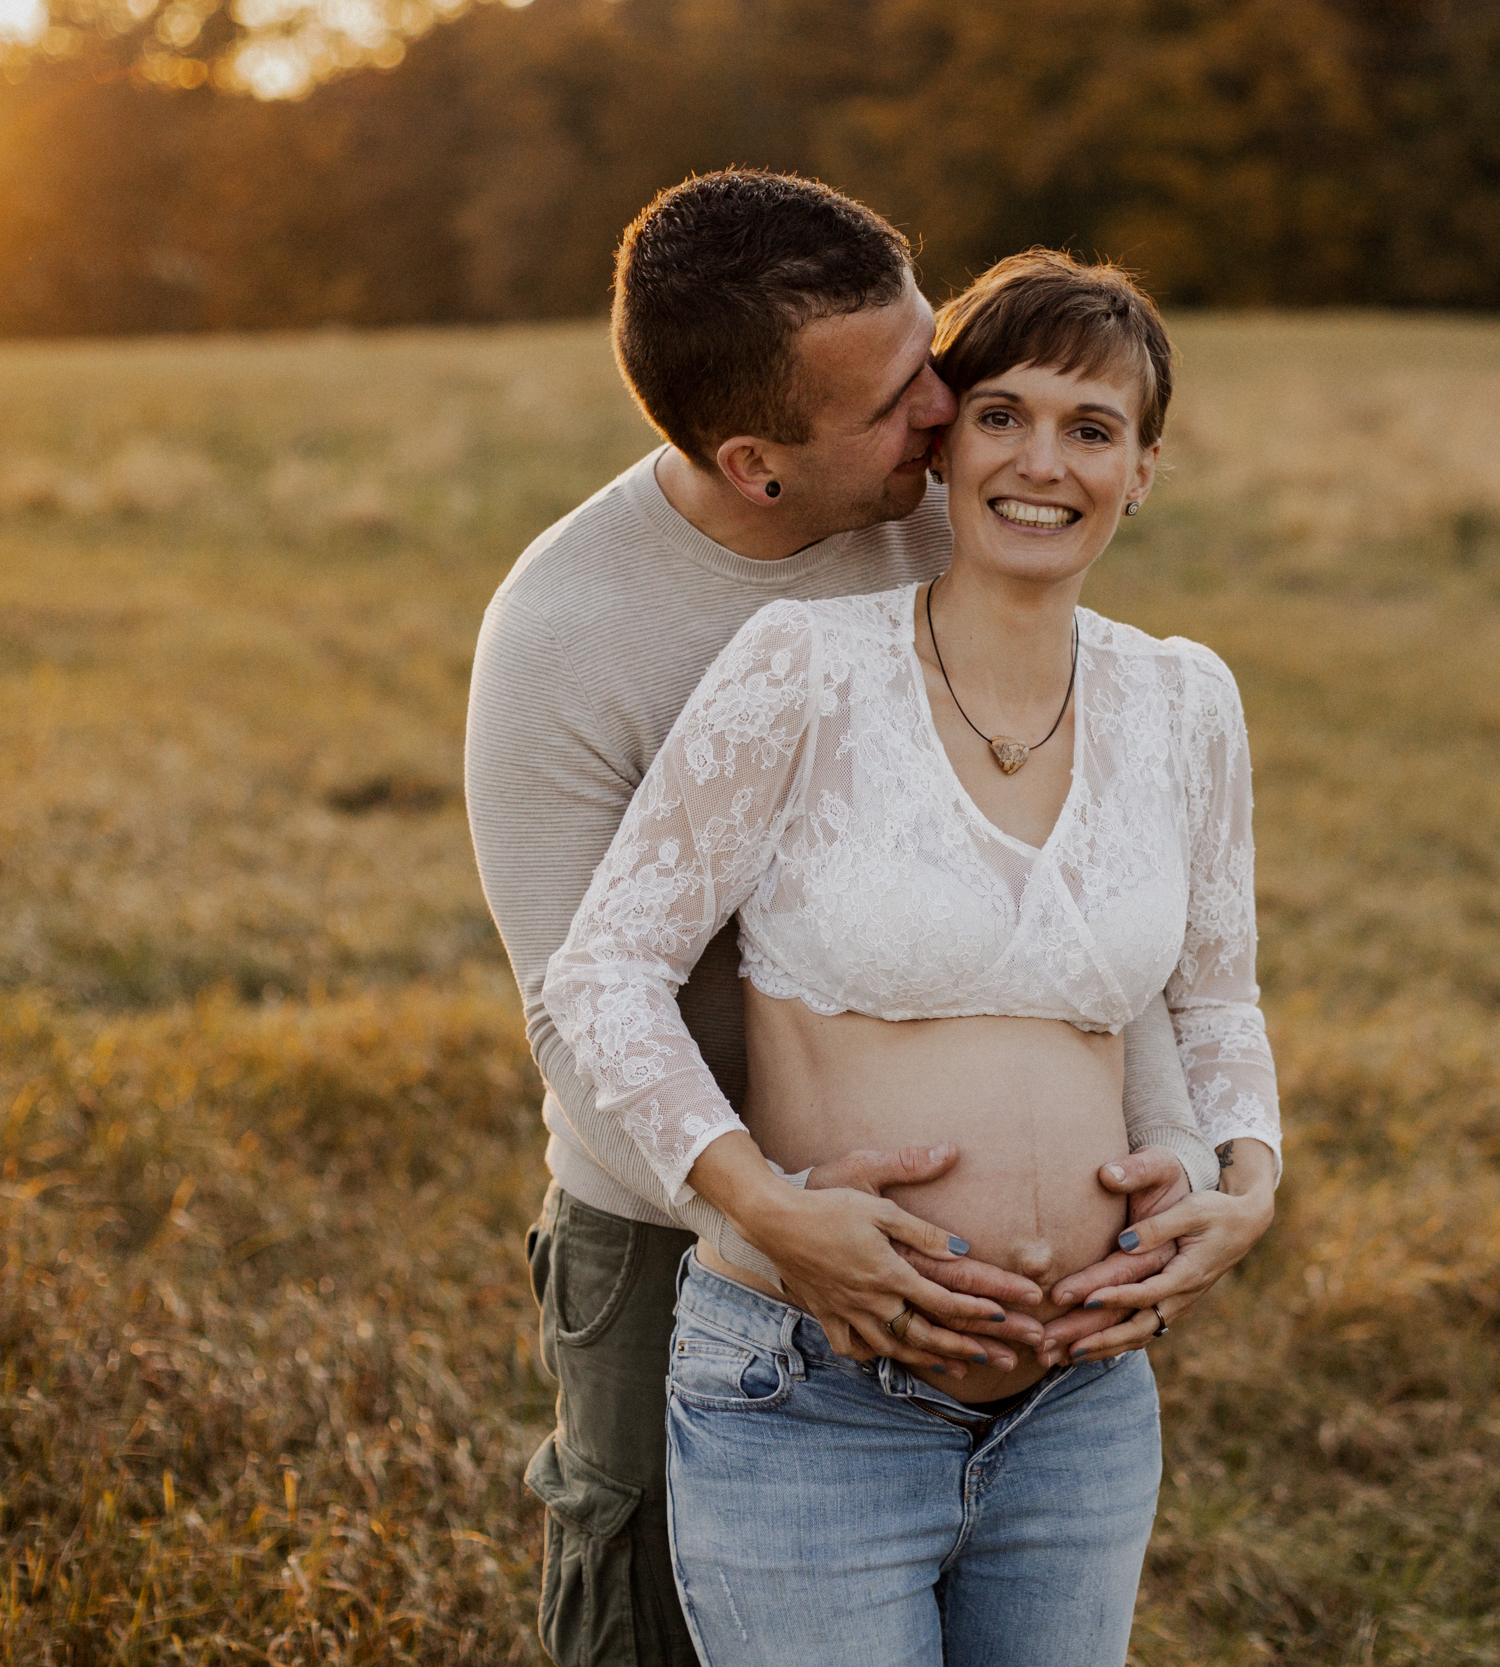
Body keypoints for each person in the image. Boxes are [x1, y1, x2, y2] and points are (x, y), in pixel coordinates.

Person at [464, 172, 1276, 1667]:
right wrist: (774, 1223)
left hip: (1049, 1380)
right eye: (912, 395)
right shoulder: (571, 639)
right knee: (642, 1608)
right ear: (759, 462)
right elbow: (580, 1001)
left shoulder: (944, 509)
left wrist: (1185, 1173)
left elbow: (1118, 939)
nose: (951, 409)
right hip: (685, 1225)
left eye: (934, 363)